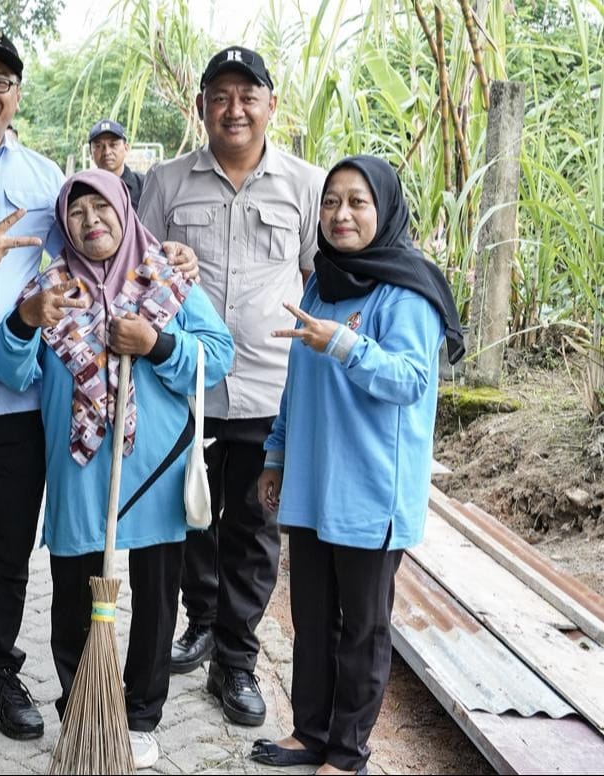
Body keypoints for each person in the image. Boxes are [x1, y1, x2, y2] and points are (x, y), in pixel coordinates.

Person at [0, 26, 199, 742]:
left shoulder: (46, 177)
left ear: (16, 94)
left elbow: (94, 251)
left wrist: (162, 253)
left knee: (4, 549)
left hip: (21, 405)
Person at [0, 170, 233, 769]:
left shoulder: (166, 276)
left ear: (126, 210)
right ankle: (83, 706)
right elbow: (6, 367)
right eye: (77, 211)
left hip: (155, 469)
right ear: (63, 223)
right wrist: (25, 319)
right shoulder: (48, 288)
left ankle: (142, 715)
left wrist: (157, 344)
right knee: (73, 592)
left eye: (103, 207)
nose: (91, 219)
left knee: (154, 595)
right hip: (79, 470)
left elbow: (218, 354)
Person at [251, 155, 464, 776]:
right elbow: (298, 381)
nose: (341, 215)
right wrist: (276, 455)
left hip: (372, 489)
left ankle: (348, 755)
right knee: (312, 617)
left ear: (385, 210)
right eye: (331, 202)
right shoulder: (324, 280)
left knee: (362, 628)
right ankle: (310, 733)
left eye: (358, 202)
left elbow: (412, 380)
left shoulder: (409, 288)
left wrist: (342, 343)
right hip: (314, 480)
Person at [138, 45, 325, 727]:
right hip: (181, 387)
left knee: (253, 526)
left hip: (267, 392)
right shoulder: (164, 182)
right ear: (202, 108)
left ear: (271, 106)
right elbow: (136, 275)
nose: (235, 108)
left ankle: (237, 663)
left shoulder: (305, 185)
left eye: (249, 96)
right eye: (221, 94)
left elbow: (319, 278)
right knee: (189, 517)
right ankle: (203, 621)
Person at [88, 119, 145, 209]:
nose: (107, 152)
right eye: (99, 146)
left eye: (113, 145)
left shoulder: (144, 185)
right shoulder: (85, 187)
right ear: (91, 152)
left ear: (126, 148)